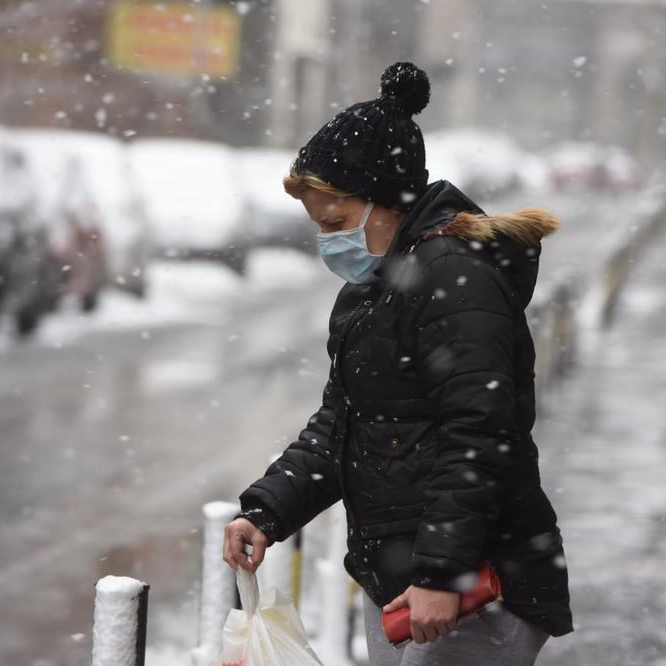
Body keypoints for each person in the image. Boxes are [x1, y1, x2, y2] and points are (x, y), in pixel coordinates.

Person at [223, 61, 574, 665]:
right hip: (408, 577)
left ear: (388, 201)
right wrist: (269, 509)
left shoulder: (454, 280)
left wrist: (443, 572)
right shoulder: (378, 287)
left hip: (472, 584)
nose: (328, 240)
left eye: (335, 221)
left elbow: (478, 435)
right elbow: (344, 423)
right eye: (318, 226)